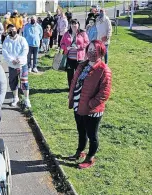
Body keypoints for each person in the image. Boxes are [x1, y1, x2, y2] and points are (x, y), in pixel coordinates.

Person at [68, 40, 112, 169]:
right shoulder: (83, 65)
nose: (92, 53)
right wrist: (72, 97)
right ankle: (79, 151)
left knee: (92, 135)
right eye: (90, 50)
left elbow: (104, 94)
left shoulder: (104, 70)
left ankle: (90, 158)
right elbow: (74, 82)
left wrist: (90, 104)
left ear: (101, 52)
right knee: (81, 131)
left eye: (95, 50)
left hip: (92, 110)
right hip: (78, 105)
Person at [2, 24, 31, 108]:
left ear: (16, 30)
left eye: (13, 29)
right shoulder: (6, 41)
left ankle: (26, 99)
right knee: (13, 82)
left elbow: (25, 49)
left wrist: (19, 59)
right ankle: (15, 97)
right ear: (7, 32)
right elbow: (5, 52)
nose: (12, 31)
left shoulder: (22, 39)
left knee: (24, 82)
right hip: (12, 65)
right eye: (10, 30)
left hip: (22, 64)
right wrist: (12, 60)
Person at [60, 19, 90, 88]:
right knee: (70, 74)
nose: (74, 25)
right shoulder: (66, 33)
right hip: (69, 58)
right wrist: (66, 47)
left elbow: (87, 43)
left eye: (75, 24)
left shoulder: (82, 33)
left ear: (78, 25)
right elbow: (61, 44)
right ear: (70, 25)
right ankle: (70, 88)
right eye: (72, 24)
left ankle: (78, 87)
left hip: (79, 58)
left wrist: (79, 47)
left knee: (79, 74)